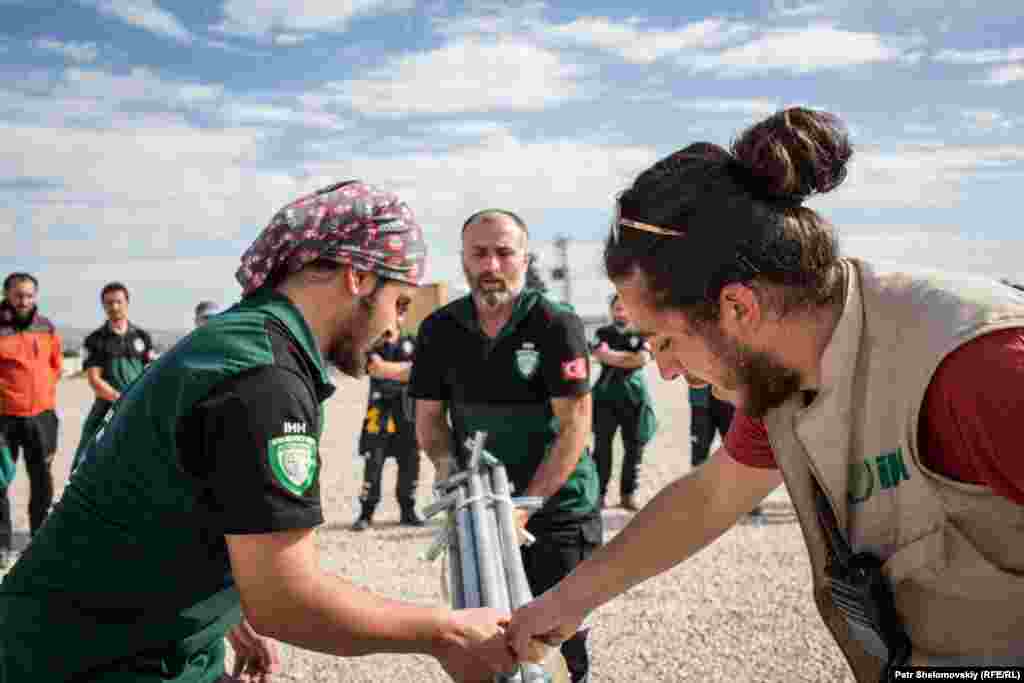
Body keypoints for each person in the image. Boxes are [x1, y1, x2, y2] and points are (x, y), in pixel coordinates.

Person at [507, 108, 1024, 677]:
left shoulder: (982, 368)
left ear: (737, 307)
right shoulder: (782, 372)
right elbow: (714, 494)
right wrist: (566, 601)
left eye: (665, 341)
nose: (668, 372)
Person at [0, 181, 514, 682]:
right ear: (358, 277)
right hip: (93, 660)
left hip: (103, 638)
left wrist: (224, 614)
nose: (395, 329)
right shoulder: (265, 379)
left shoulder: (238, 338)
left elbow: (182, 503)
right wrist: (445, 633)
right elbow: (286, 600)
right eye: (399, 304)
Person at [411, 209, 601, 683]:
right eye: (480, 254)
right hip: (478, 513)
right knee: (485, 644)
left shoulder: (557, 324)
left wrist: (525, 506)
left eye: (504, 252)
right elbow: (430, 422)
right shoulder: (438, 330)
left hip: (558, 512)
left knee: (557, 645)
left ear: (524, 258)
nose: (492, 265)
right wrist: (448, 469)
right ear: (463, 261)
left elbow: (574, 425)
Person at [0, 273, 62, 569]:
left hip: (41, 417)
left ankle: (39, 540)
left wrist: (43, 399)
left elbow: (55, 367)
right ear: (6, 295)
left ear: (35, 296)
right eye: (17, 295)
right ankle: (2, 545)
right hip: (4, 418)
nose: (23, 301)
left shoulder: (46, 327)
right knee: (0, 481)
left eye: (28, 295)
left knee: (42, 482)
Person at [70, 282, 155, 472]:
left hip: (137, 407)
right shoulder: (96, 339)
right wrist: (120, 399)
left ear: (127, 303)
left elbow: (150, 372)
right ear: (103, 305)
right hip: (105, 408)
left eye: (118, 302)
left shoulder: (142, 336)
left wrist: (135, 401)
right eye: (109, 303)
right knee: (84, 461)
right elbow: (94, 379)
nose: (114, 307)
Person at [352, 310, 424, 530]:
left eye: (400, 312)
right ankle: (366, 513)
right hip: (379, 415)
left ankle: (408, 510)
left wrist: (387, 371)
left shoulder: (413, 341)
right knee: (373, 464)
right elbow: (374, 367)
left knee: (410, 462)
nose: (395, 317)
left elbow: (419, 372)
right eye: (391, 312)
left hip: (407, 413)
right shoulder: (372, 344)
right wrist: (402, 372)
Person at [589, 293, 657, 511]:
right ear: (611, 311)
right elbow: (600, 355)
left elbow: (643, 359)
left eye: (625, 308)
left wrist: (614, 356)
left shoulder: (642, 333)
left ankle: (629, 495)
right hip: (605, 398)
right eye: (617, 309)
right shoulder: (603, 333)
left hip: (634, 398)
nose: (621, 313)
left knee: (634, 448)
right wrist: (627, 358)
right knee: (602, 449)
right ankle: (598, 495)